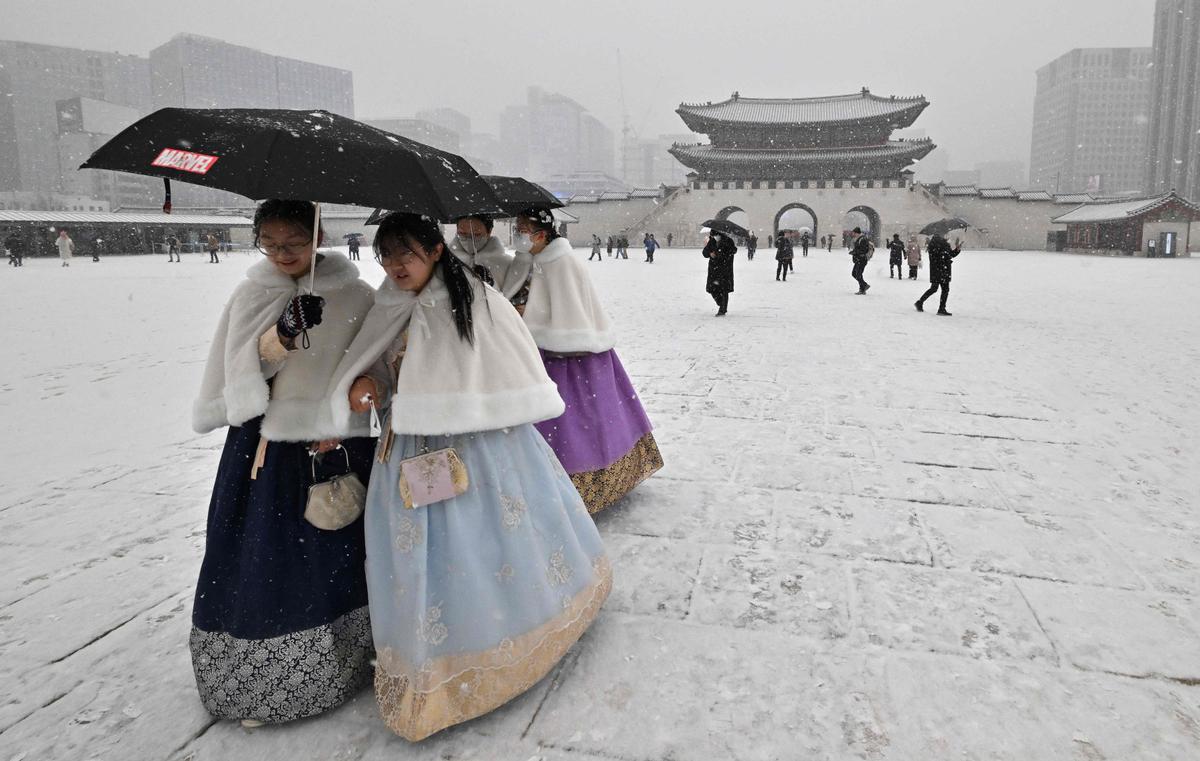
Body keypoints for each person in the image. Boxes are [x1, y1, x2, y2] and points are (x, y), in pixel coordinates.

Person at [328, 211, 610, 741]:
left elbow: (499, 368)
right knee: (421, 552)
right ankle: (426, 660)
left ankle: (494, 642)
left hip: (476, 448)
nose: (394, 266)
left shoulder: (476, 300)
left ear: (436, 250)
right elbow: (383, 371)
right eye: (386, 255)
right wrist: (369, 382)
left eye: (406, 254)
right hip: (408, 449)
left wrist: (457, 406)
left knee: (478, 542)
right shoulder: (390, 304)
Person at [189, 199, 377, 726]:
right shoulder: (255, 291)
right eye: (269, 244)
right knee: (267, 557)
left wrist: (343, 412)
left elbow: (369, 364)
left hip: (337, 443)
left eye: (293, 243)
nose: (281, 254)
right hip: (268, 451)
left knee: (337, 551)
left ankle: (351, 656)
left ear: (317, 235)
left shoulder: (356, 294)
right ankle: (267, 678)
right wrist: (282, 337)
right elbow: (242, 371)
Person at [503, 207, 663, 513]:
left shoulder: (559, 263)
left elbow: (569, 315)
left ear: (542, 232)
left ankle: (584, 482)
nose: (519, 233)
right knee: (585, 420)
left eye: (524, 228)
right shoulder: (538, 261)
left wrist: (531, 318)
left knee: (577, 421)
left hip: (571, 357)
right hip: (548, 352)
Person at [448, 214, 513, 287]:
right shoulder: (446, 262)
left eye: (476, 234)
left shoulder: (508, 265)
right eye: (462, 233)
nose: (469, 239)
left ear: (489, 231)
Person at [915, 234, 961, 315]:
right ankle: (941, 309)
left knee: (934, 288)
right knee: (945, 289)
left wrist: (957, 249)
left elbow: (948, 255)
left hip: (936, 271)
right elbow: (948, 255)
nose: (947, 236)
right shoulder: (942, 244)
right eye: (945, 234)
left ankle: (920, 302)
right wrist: (955, 250)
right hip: (943, 270)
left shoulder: (933, 244)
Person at [703, 231, 736, 315]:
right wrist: (710, 254)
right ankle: (721, 303)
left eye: (714, 235)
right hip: (714, 270)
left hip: (724, 270)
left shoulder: (728, 241)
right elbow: (704, 252)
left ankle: (723, 309)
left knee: (723, 289)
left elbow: (732, 251)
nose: (713, 237)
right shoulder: (712, 241)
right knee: (712, 289)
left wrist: (717, 254)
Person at [849, 227, 872, 294]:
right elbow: (858, 249)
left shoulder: (863, 239)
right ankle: (863, 288)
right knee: (855, 274)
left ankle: (863, 286)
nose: (853, 234)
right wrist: (853, 252)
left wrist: (855, 252)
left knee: (858, 274)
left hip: (862, 259)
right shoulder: (858, 239)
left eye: (854, 233)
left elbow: (864, 250)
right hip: (858, 259)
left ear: (857, 233)